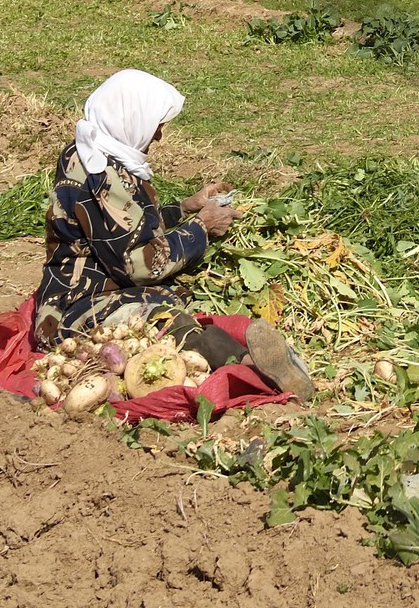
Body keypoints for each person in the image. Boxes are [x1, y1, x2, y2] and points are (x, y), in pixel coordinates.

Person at [33, 67, 314, 401]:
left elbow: (127, 226)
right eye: (156, 127)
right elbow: (139, 266)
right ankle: (247, 364)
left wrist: (185, 207)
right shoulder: (100, 176)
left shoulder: (92, 151)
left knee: (176, 299)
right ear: (131, 117)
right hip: (75, 306)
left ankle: (252, 356)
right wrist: (201, 228)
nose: (159, 137)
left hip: (101, 287)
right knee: (165, 320)